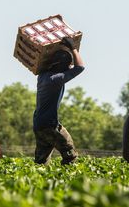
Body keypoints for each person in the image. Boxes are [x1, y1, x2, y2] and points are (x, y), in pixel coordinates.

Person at [33, 37, 85, 165]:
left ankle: (38, 182)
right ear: (63, 66)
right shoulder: (56, 79)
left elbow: (67, 65)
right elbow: (80, 67)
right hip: (50, 125)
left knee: (41, 161)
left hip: (38, 124)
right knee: (69, 154)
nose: (70, 67)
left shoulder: (43, 76)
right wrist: (73, 47)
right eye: (68, 65)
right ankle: (68, 182)